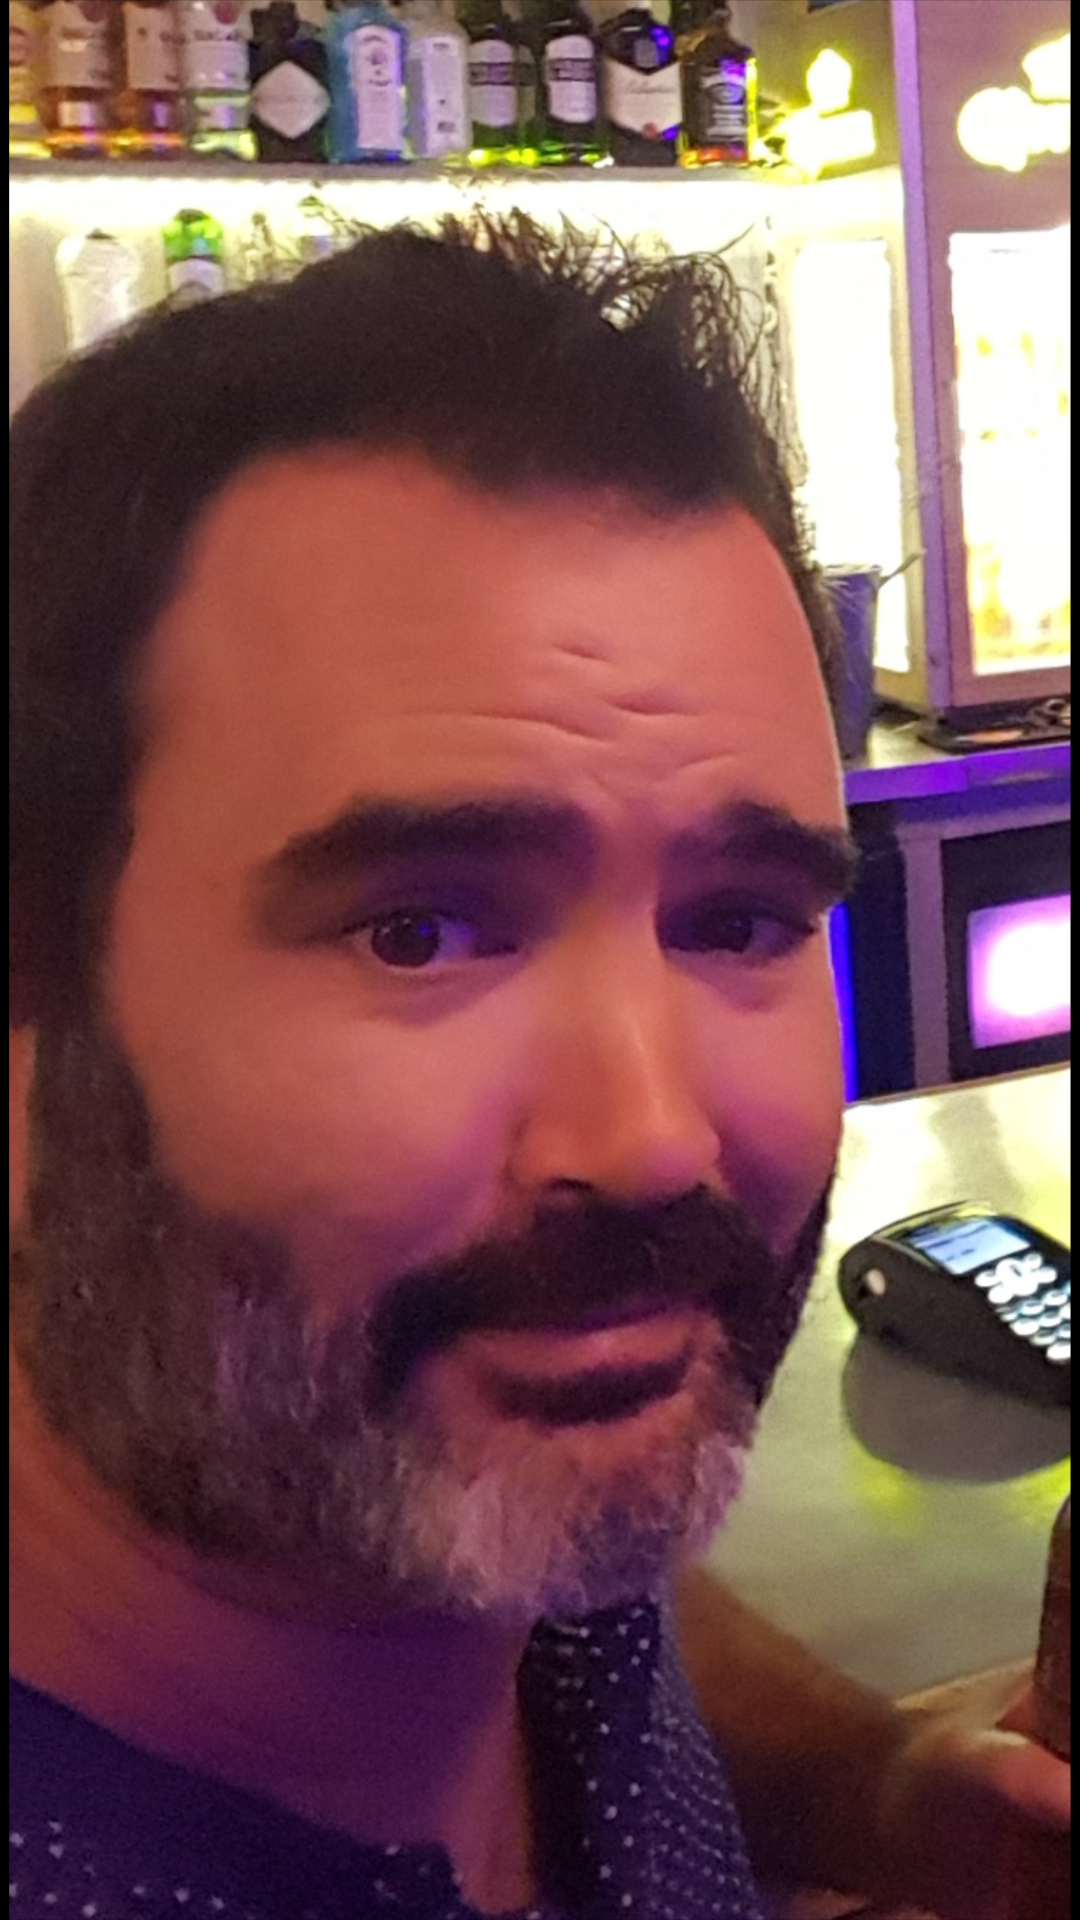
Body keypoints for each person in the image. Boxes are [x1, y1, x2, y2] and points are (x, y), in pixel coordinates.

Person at [9, 215, 1068, 1920]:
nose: (648, 1141)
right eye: (420, 931)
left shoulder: (426, 1457)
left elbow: (581, 1598)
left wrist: (869, 1794)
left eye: (735, 920)